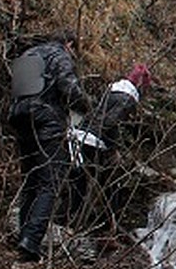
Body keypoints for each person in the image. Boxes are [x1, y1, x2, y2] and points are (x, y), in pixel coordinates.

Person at [8, 30, 90, 261]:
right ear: (69, 44)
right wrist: (86, 106)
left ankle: (24, 236)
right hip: (47, 122)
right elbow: (71, 90)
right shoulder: (59, 56)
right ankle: (31, 241)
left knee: (30, 181)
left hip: (21, 120)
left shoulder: (28, 54)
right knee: (50, 182)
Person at [65, 62, 152, 232]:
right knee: (111, 186)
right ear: (141, 86)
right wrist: (113, 148)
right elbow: (110, 122)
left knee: (79, 182)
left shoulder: (111, 91)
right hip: (93, 142)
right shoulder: (128, 99)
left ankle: (72, 222)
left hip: (78, 136)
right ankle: (109, 227)